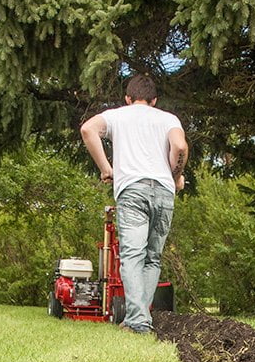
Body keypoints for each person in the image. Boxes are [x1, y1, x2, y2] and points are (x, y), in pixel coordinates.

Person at [80, 74, 188, 333]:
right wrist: (175, 176)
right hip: (163, 192)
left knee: (132, 256)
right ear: (154, 100)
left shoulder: (117, 115)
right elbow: (180, 146)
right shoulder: (168, 119)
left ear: (128, 98)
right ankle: (136, 318)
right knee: (152, 258)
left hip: (132, 191)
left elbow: (87, 130)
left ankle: (138, 322)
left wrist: (107, 168)